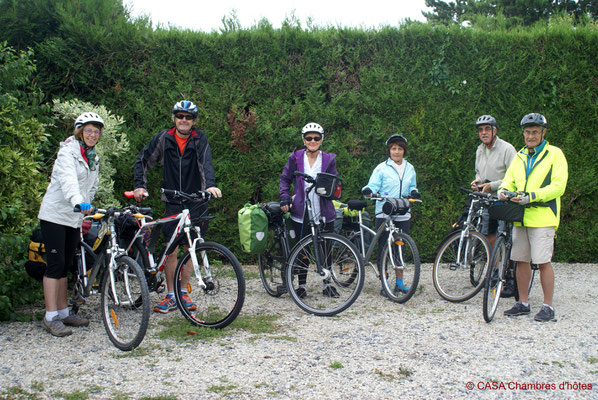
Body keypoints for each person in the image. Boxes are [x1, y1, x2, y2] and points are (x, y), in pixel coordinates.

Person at [133, 100, 222, 313]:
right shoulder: (165, 138)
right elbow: (144, 160)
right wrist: (139, 186)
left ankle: (183, 292)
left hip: (195, 201)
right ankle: (171, 295)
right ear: (174, 118)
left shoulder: (199, 139)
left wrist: (209, 186)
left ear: (194, 121)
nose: (184, 120)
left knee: (192, 247)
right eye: (180, 116)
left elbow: (206, 164)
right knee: (170, 248)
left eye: (188, 117)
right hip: (173, 201)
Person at [37, 112, 104, 337]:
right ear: (80, 131)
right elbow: (68, 181)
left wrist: (88, 205)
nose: (93, 135)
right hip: (55, 215)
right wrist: (79, 202)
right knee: (55, 264)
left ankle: (64, 312)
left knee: (66, 265)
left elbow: (91, 187)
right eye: (89, 130)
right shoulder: (68, 152)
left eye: (96, 131)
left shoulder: (92, 158)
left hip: (73, 218)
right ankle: (50, 316)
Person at [499, 113, 568, 322]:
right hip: (520, 217)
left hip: (543, 218)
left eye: (535, 132)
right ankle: (523, 303)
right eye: (527, 132)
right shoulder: (519, 156)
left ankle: (548, 306)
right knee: (521, 261)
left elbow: (558, 186)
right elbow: (508, 180)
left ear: (543, 132)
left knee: (544, 262)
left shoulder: (554, 154)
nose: (530, 136)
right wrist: (502, 191)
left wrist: (532, 197)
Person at [280, 122, 339, 298]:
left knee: (326, 249)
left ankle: (327, 284)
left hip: (323, 210)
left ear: (321, 139)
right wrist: (285, 197)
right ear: (303, 140)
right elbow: (285, 178)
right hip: (302, 210)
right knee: (302, 250)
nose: (312, 141)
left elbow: (334, 181)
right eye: (309, 138)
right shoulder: (295, 157)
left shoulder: (329, 159)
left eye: (316, 138)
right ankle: (302, 286)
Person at [361, 134, 420, 297]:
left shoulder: (410, 168)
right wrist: (368, 191)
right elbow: (371, 185)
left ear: (404, 151)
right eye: (394, 148)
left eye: (400, 149)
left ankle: (400, 283)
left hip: (402, 211)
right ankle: (384, 283)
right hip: (384, 211)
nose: (397, 152)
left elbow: (413, 186)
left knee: (400, 246)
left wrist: (414, 192)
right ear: (389, 150)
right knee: (383, 247)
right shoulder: (381, 168)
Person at [470, 115, 516, 248]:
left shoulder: (507, 149)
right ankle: (494, 267)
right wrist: (478, 181)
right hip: (487, 200)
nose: (483, 133)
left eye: (487, 129)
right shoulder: (479, 150)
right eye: (480, 130)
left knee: (503, 236)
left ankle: (505, 266)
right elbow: (479, 171)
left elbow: (514, 176)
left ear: (494, 131)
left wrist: (492, 185)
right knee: (489, 235)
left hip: (503, 200)